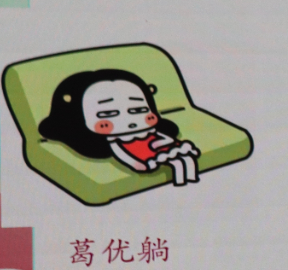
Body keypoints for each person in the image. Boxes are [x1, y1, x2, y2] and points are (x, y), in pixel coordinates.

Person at [39, 69, 200, 186]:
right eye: (107, 113)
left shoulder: (153, 133)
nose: (130, 122)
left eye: (138, 110)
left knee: (183, 161)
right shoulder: (111, 142)